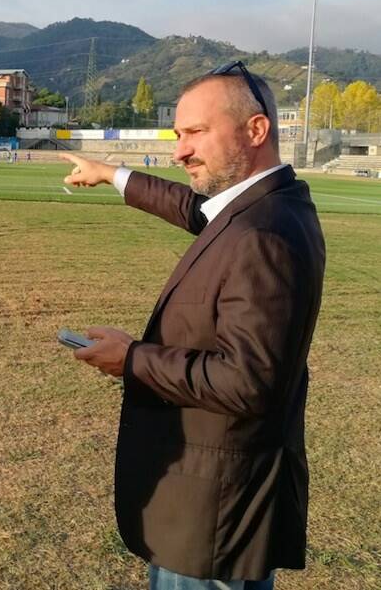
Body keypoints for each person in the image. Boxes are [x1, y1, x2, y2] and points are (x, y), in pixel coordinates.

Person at [63, 61, 325, 590]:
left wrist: (132, 359)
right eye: (179, 134)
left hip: (216, 516)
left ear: (256, 130)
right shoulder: (264, 204)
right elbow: (196, 209)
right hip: (215, 505)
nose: (180, 150)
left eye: (196, 133)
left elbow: (248, 382)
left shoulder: (263, 235)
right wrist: (112, 174)